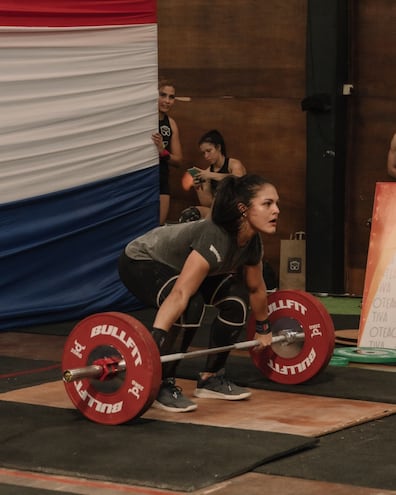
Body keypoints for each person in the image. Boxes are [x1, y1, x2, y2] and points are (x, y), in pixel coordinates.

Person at [118, 174, 279, 412]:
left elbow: (255, 287)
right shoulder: (215, 235)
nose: (276, 210)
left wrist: (264, 328)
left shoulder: (252, 242)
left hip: (184, 269)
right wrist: (156, 338)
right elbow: (181, 292)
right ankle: (162, 382)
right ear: (243, 209)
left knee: (236, 300)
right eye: (267, 204)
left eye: (276, 203)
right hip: (142, 260)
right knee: (192, 304)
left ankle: (210, 378)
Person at [179, 129, 246, 222]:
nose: (206, 156)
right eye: (203, 153)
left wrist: (211, 175)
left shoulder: (233, 164)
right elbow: (207, 203)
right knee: (190, 214)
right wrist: (198, 188)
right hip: (218, 211)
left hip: (236, 209)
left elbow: (238, 180)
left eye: (209, 151)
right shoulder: (207, 173)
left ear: (218, 147)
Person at [152, 79, 183, 225]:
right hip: (141, 177)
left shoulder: (171, 123)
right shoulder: (142, 119)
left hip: (162, 179)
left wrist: (162, 151)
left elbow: (178, 160)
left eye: (171, 97)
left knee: (159, 225)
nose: (167, 100)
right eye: (163, 95)